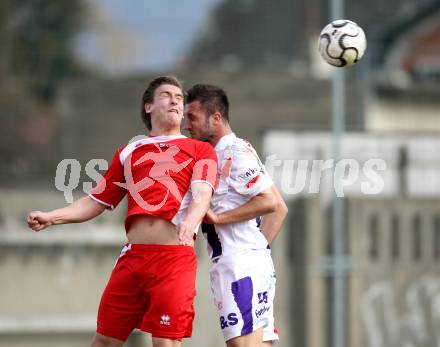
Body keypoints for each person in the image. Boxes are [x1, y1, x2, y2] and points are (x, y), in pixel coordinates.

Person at [27, 76, 218, 347]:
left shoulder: (200, 149)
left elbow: (202, 193)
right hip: (133, 259)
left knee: (165, 342)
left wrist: (191, 219)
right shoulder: (129, 151)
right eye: (166, 95)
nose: (175, 100)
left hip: (173, 260)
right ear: (148, 107)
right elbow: (96, 200)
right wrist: (52, 217)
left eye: (179, 97)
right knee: (104, 340)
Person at [184, 84, 288, 347]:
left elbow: (270, 202)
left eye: (193, 118)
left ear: (216, 118)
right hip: (246, 263)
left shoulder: (233, 152)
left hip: (239, 267)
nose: (187, 125)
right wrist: (257, 251)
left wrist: (220, 220)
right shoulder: (232, 150)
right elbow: (281, 208)